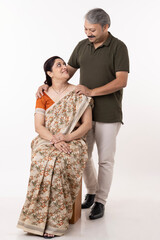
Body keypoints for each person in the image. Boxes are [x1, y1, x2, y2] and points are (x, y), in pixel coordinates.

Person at [36, 8, 129, 220]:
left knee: (105, 160)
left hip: (108, 113)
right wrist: (45, 83)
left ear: (106, 27)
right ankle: (92, 191)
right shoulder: (81, 46)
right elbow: (65, 72)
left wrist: (91, 92)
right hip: (81, 115)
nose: (88, 33)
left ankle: (101, 201)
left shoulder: (118, 47)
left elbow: (121, 81)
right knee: (83, 158)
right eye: (86, 28)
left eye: (93, 30)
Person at [17, 56, 93, 238]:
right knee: (41, 160)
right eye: (59, 65)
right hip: (47, 139)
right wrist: (55, 140)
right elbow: (39, 126)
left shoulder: (79, 93)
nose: (64, 67)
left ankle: (55, 222)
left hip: (74, 140)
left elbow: (86, 125)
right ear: (49, 73)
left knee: (58, 163)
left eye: (64, 64)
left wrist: (66, 137)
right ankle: (36, 220)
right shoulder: (43, 95)